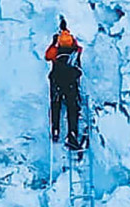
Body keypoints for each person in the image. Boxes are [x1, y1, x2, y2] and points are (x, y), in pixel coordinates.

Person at [44, 17, 83, 150]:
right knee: (72, 107)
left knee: (56, 104)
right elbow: (79, 49)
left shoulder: (56, 52)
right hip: (70, 82)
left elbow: (47, 56)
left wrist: (54, 42)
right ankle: (72, 133)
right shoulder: (74, 52)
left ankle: (55, 130)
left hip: (56, 80)